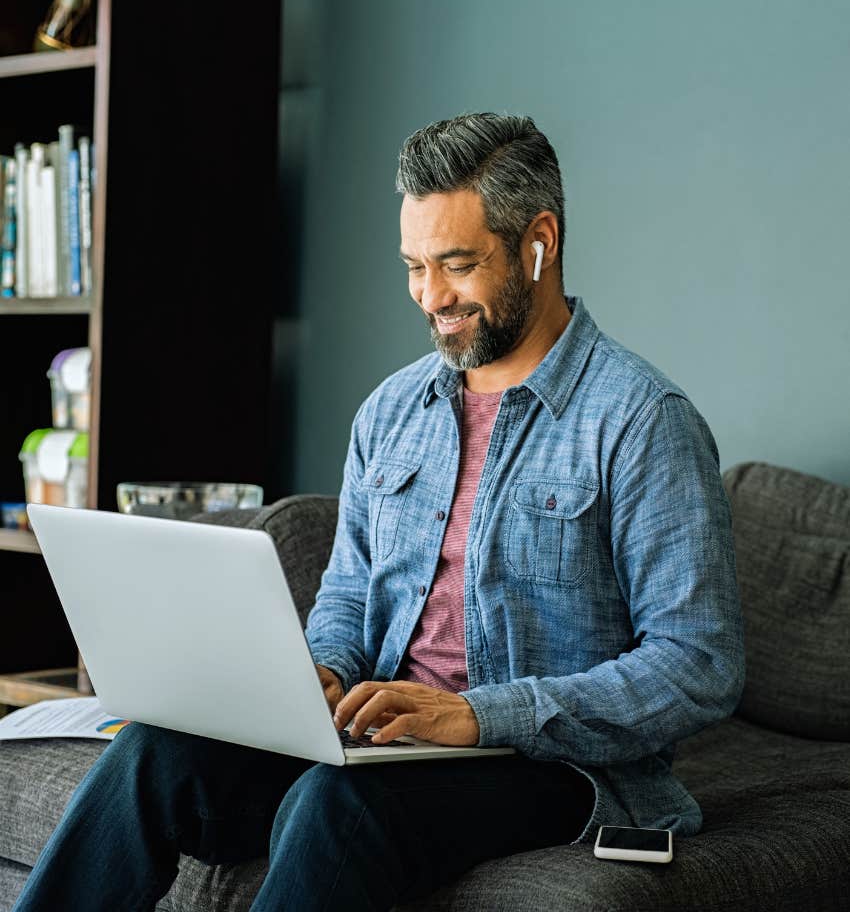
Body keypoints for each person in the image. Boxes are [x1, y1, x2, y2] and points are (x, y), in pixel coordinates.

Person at [14, 112, 745, 911]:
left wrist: (477, 715)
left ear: (540, 241)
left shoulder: (641, 419)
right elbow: (351, 596)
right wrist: (322, 673)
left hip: (550, 767)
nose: (432, 297)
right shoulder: (392, 411)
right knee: (153, 754)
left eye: (458, 265)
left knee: (338, 806)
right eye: (413, 266)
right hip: (386, 746)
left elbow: (698, 665)